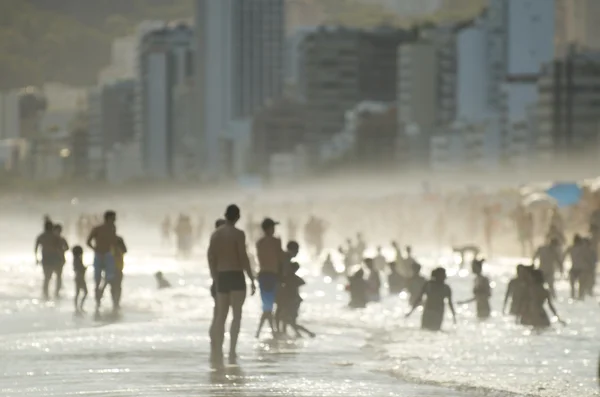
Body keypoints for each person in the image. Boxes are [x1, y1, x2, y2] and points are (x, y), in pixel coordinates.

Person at [207, 204, 256, 366]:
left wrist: (215, 276)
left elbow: (211, 257)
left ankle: (218, 350)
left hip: (222, 276)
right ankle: (232, 350)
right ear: (238, 217)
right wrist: (251, 278)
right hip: (236, 275)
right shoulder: (238, 234)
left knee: (221, 315)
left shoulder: (216, 234)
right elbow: (242, 256)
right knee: (236, 315)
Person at [255, 218, 285, 339]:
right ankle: (269, 332)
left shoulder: (259, 242)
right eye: (273, 227)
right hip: (272, 276)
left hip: (262, 275)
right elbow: (280, 258)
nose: (274, 230)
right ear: (269, 229)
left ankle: (269, 331)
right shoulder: (275, 242)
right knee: (269, 307)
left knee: (267, 306)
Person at [87, 211, 118, 314]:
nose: (115, 220)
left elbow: (113, 243)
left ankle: (103, 294)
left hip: (108, 255)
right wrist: (95, 249)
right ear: (108, 218)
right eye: (113, 218)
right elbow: (88, 241)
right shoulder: (97, 229)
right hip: (99, 255)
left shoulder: (113, 228)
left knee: (109, 278)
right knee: (97, 280)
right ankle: (98, 302)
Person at [278, 251, 316, 338]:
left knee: (288, 320)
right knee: (288, 321)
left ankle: (306, 333)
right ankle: (301, 334)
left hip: (292, 301)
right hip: (294, 301)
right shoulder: (294, 278)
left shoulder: (289, 278)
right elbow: (302, 282)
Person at [406, 267, 456, 331]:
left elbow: (450, 303)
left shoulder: (445, 288)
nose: (443, 276)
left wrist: (454, 316)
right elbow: (419, 299)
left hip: (436, 313)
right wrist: (410, 312)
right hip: (430, 312)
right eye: (442, 275)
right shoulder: (429, 285)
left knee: (428, 330)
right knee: (428, 330)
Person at [34, 220, 61, 300]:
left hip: (45, 258)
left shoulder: (41, 236)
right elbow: (60, 248)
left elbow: (35, 248)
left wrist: (36, 258)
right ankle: (57, 293)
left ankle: (46, 294)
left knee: (47, 277)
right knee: (58, 276)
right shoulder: (56, 237)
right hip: (55, 258)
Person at [111, 235, 127, 310]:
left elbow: (125, 250)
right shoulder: (108, 240)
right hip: (111, 267)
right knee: (114, 286)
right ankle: (115, 303)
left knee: (117, 286)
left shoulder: (118, 240)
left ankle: (116, 303)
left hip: (118, 267)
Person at [53, 223, 69, 298]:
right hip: (51, 259)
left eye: (59, 231)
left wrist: (61, 250)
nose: (58, 232)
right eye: (57, 230)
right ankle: (48, 292)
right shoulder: (51, 239)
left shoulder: (62, 239)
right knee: (49, 276)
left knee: (58, 276)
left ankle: (57, 292)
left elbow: (67, 247)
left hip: (60, 259)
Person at [72, 245, 88, 313]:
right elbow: (79, 269)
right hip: (80, 278)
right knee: (84, 292)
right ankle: (79, 307)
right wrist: (84, 268)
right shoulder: (77, 260)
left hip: (78, 278)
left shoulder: (76, 259)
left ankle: (77, 307)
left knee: (78, 293)